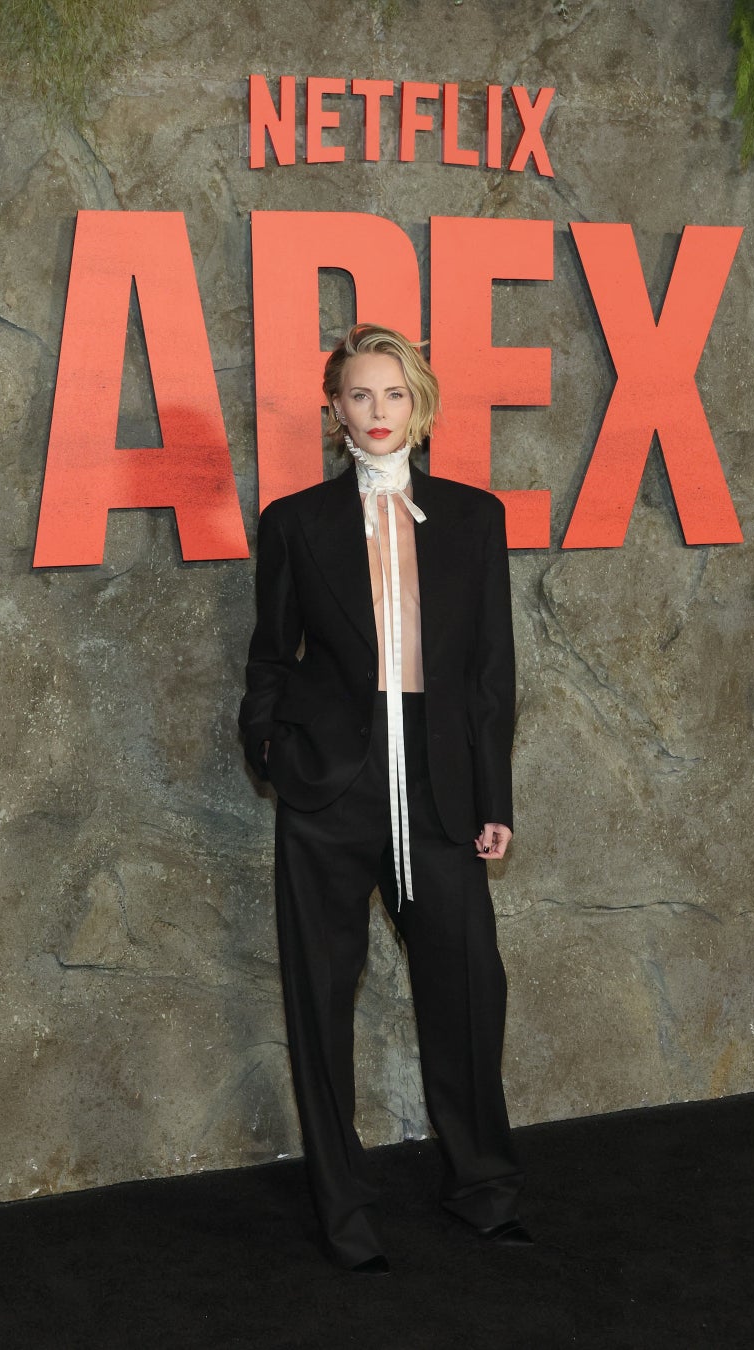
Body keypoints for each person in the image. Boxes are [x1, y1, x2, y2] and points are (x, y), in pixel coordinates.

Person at [239, 323, 529, 1274]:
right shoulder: (295, 522)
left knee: (469, 987)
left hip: (440, 785)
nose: (377, 412)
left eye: (394, 394)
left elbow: (490, 673)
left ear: (420, 406)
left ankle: (484, 1188)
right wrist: (272, 750)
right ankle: (345, 1211)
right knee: (320, 999)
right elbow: (270, 655)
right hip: (331, 786)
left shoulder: (474, 518)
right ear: (334, 409)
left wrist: (494, 797)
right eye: (359, 395)